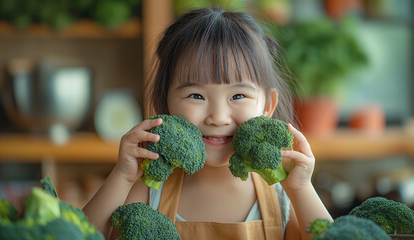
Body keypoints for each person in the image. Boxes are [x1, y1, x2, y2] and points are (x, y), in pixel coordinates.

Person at [83, 7, 333, 240]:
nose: (218, 117)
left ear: (268, 105)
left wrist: (302, 189)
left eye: (238, 96)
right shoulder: (150, 191)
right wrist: (122, 176)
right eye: (196, 96)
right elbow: (80, 234)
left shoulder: (282, 195)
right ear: (164, 103)